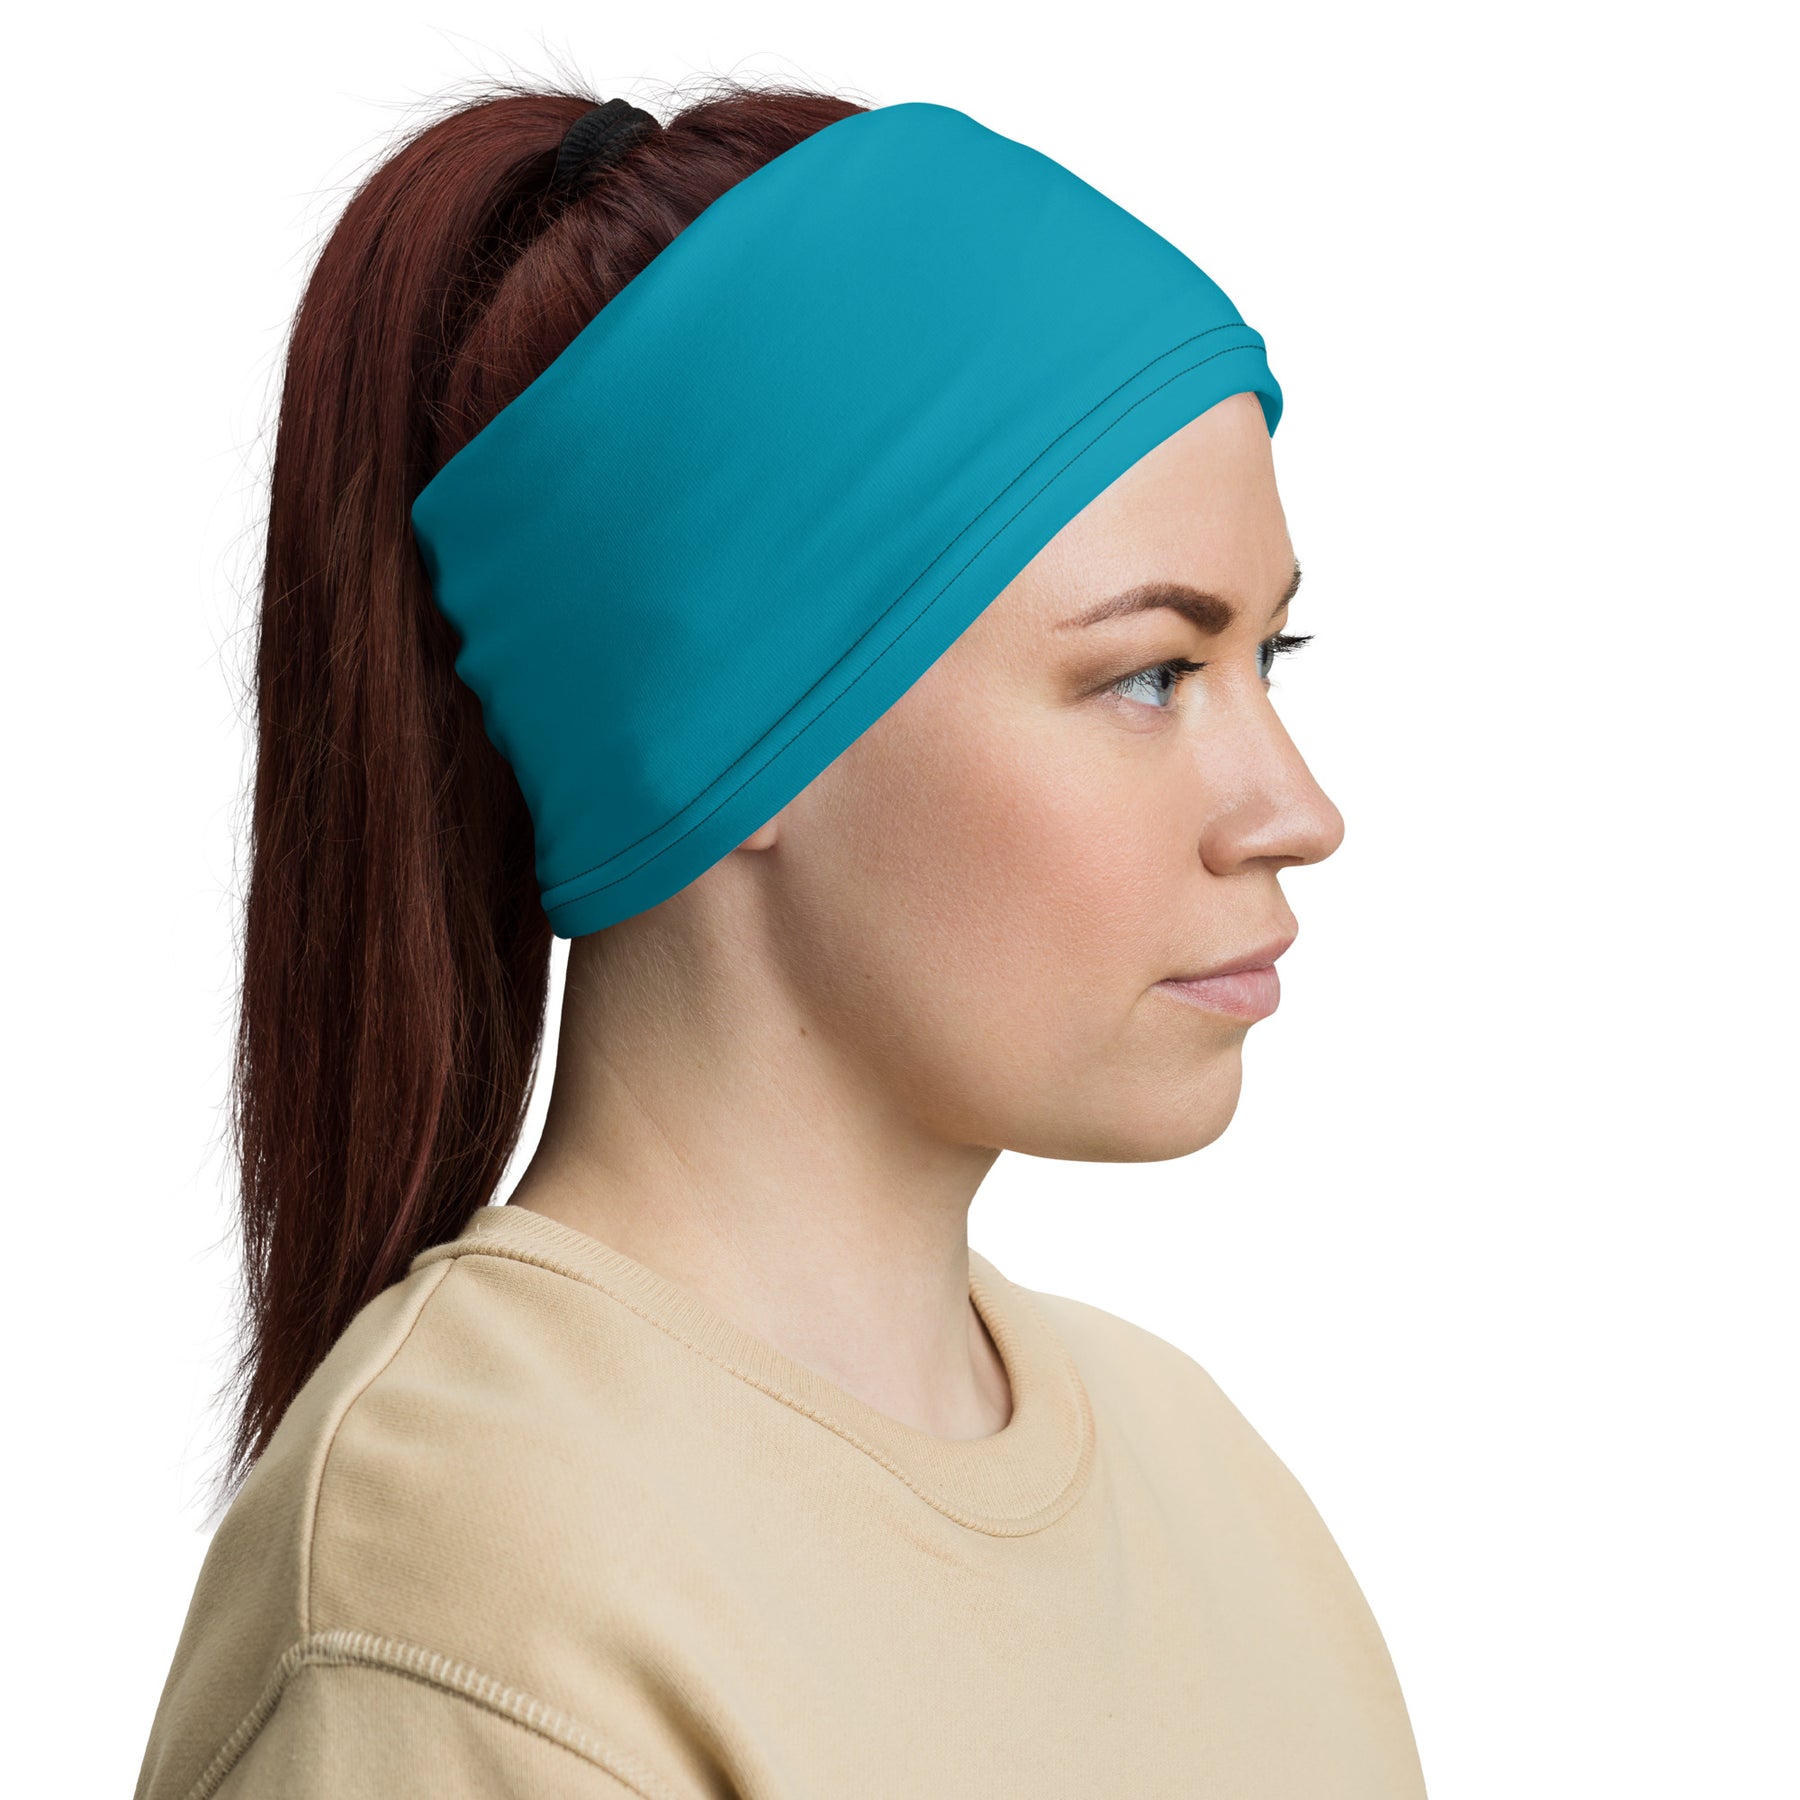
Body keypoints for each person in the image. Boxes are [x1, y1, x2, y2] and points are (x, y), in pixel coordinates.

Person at [133, 77, 1427, 1799]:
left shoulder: (1213, 1496)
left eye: (1272, 658)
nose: (1295, 809)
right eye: (1149, 674)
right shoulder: (476, 1589)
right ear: (719, 728)